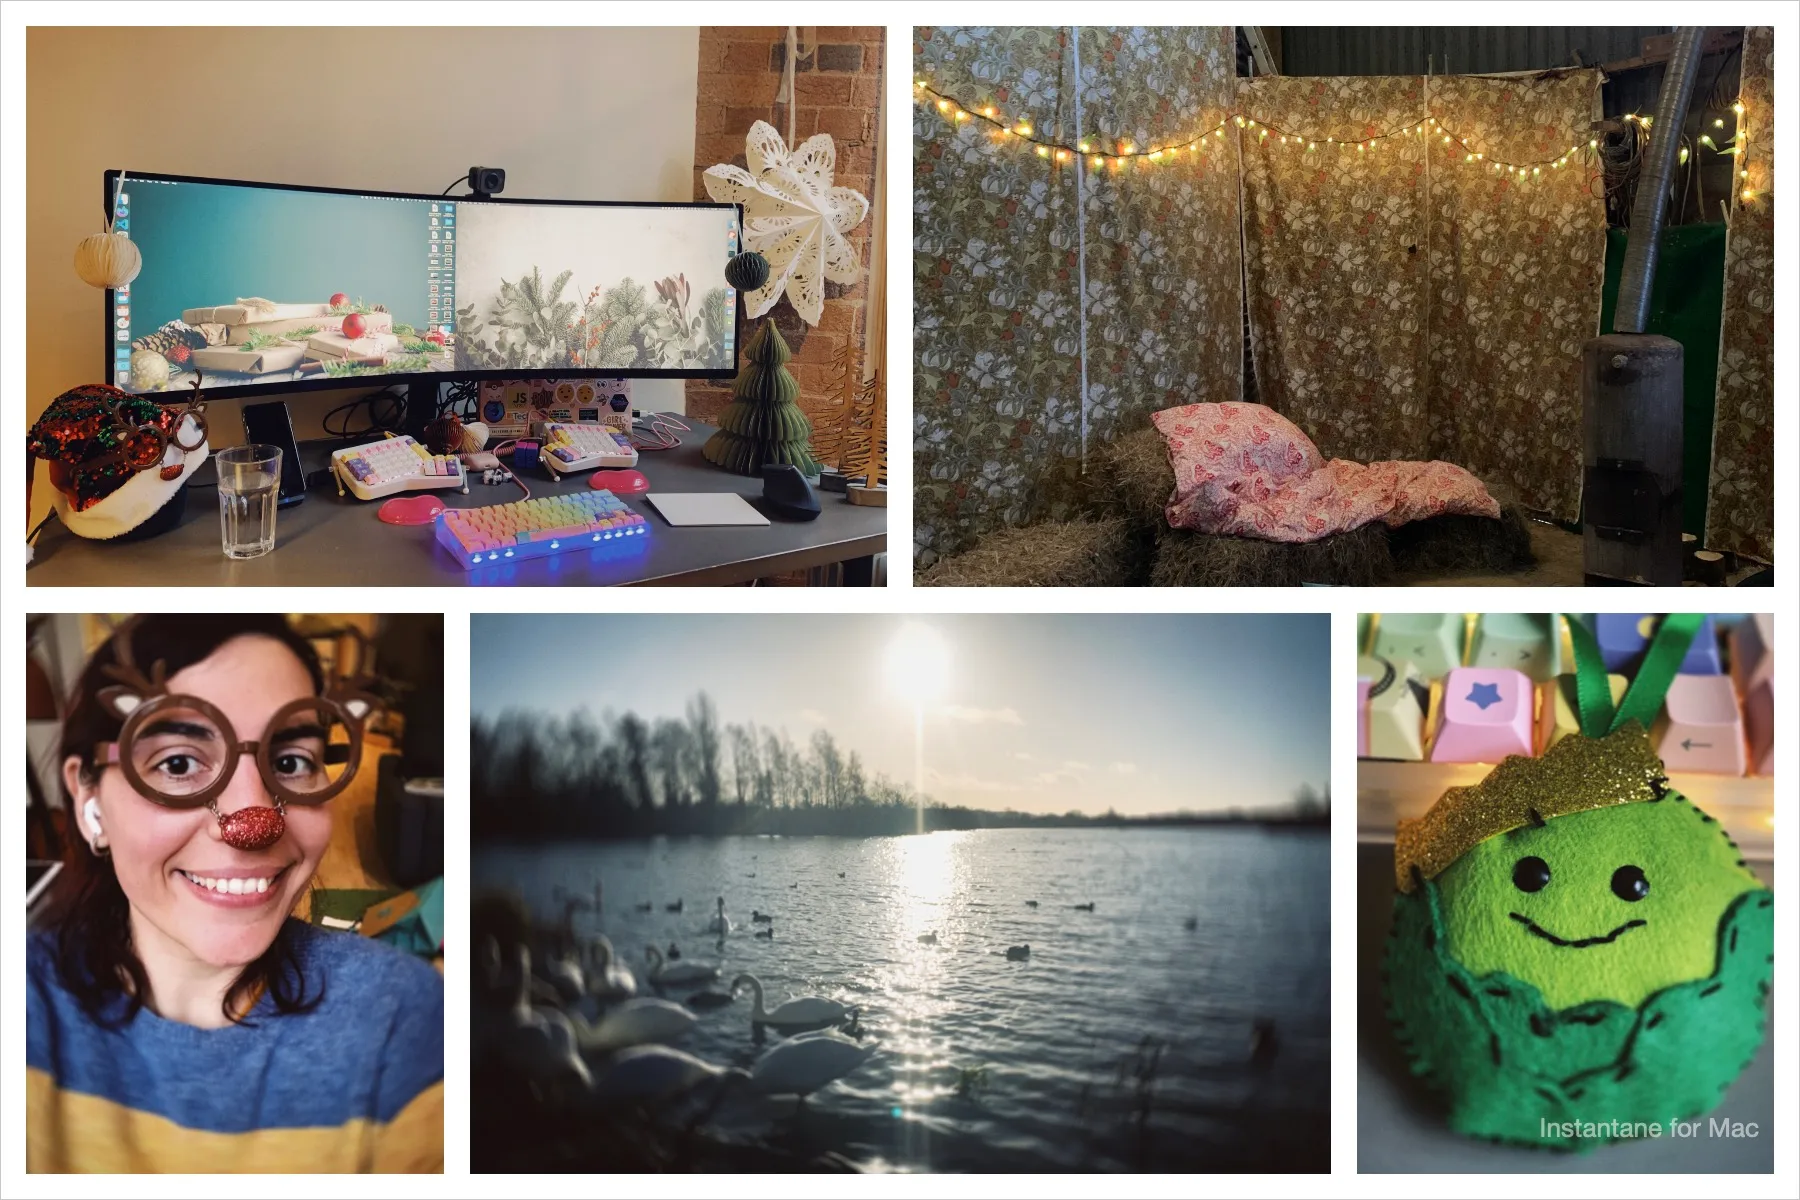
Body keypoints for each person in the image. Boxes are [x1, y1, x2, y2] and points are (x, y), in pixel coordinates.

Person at [26, 615, 443, 1172]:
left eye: (290, 763)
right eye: (177, 764)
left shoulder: (403, 1016)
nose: (252, 825)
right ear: (88, 801)